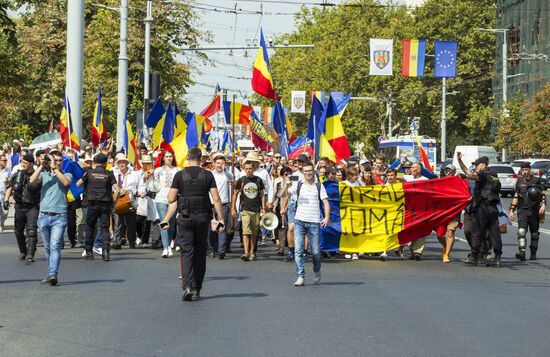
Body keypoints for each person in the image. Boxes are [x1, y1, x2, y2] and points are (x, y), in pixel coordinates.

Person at [160, 147, 225, 301]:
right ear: (201, 159)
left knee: (186, 251)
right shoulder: (208, 175)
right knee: (200, 252)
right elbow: (216, 199)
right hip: (203, 217)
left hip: (185, 218)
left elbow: (171, 199)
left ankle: (188, 286)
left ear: (187, 158)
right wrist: (220, 219)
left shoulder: (180, 175)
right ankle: (197, 288)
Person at [282, 161, 330, 286]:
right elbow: (281, 195)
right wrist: (286, 186)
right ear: (303, 173)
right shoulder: (298, 185)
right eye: (305, 171)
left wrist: (326, 217)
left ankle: (317, 270)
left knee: (315, 253)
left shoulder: (319, 186)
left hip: (314, 222)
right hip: (299, 221)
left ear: (313, 172)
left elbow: (326, 203)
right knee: (298, 250)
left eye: (310, 171)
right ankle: (300, 276)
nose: (308, 173)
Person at [29, 150, 72, 286]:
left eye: (60, 161)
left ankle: (54, 273)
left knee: (54, 246)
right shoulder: (44, 175)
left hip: (59, 217)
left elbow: (65, 183)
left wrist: (55, 168)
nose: (58, 162)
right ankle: (50, 273)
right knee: (47, 247)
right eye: (55, 160)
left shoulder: (67, 174)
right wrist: (42, 164)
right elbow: (31, 180)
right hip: (43, 216)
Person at [457, 154, 502, 267]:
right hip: (493, 209)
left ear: (482, 165)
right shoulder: (494, 175)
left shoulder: (483, 174)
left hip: (483, 209)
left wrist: (459, 160)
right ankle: (497, 258)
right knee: (494, 233)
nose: (476, 167)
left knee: (476, 232)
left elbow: (470, 174)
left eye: (476, 165)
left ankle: (474, 257)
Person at [77, 153, 119, 261]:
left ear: (95, 162)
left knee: (90, 226)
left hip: (92, 203)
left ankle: (89, 252)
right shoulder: (109, 173)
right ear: (106, 163)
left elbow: (78, 184)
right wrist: (114, 202)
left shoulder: (89, 173)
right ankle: (105, 253)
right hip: (105, 204)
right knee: (104, 228)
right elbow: (117, 189)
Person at [4, 153, 41, 261]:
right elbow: (10, 187)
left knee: (31, 231)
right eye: (22, 162)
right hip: (19, 206)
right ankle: (23, 251)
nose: (23, 164)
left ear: (31, 163)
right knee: (18, 231)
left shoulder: (37, 175)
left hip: (32, 206)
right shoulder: (18, 174)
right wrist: (6, 200)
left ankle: (30, 254)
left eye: (25, 163)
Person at [231, 155, 265, 261]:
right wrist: (233, 208)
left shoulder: (258, 180)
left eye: (250, 168)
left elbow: (262, 194)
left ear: (253, 168)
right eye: (246, 169)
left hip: (256, 209)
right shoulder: (241, 180)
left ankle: (252, 251)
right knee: (246, 231)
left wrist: (263, 207)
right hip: (245, 209)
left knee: (254, 232)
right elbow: (235, 194)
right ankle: (245, 252)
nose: (248, 171)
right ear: (244, 169)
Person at [509, 162, 546, 261]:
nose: (524, 172)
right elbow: (516, 195)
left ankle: (533, 253)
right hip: (522, 209)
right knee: (521, 231)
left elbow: (542, 194)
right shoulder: (519, 181)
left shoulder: (536, 180)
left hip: (534, 210)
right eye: (523, 170)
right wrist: (511, 210)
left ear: (529, 169)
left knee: (534, 233)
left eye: (526, 169)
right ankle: (522, 253)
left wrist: (543, 204)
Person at [111, 153, 141, 249]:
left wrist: (128, 191)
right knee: (117, 222)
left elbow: (138, 188)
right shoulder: (114, 174)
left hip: (130, 201)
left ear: (127, 163)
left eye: (123, 162)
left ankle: (132, 242)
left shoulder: (134, 174)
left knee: (131, 223)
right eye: (119, 163)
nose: (121, 164)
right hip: (118, 201)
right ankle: (117, 242)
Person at [154, 150, 179, 258]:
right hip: (160, 198)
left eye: (170, 156)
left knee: (172, 224)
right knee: (164, 221)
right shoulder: (158, 170)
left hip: (173, 199)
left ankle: (168, 244)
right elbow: (155, 188)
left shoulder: (178, 170)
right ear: (163, 158)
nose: (169, 158)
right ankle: (165, 248)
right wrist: (153, 178)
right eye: (166, 156)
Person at [209, 153, 233, 259]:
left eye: (222, 163)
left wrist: (225, 169)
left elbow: (231, 179)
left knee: (221, 227)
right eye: (218, 163)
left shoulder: (227, 174)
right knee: (212, 228)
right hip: (211, 204)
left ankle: (221, 249)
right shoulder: (210, 174)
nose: (220, 165)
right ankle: (212, 248)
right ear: (214, 163)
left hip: (224, 204)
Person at [403, 162, 428, 260]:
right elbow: (394, 175)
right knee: (409, 230)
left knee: (420, 230)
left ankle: (418, 252)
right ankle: (412, 250)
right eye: (411, 167)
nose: (410, 169)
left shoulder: (425, 180)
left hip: (420, 209)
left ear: (419, 169)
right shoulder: (408, 178)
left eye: (413, 167)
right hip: (409, 209)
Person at [436, 164, 460, 263]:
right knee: (439, 234)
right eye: (447, 171)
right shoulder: (441, 182)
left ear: (454, 172)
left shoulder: (459, 182)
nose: (448, 173)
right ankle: (446, 246)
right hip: (442, 212)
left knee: (450, 232)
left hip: (454, 211)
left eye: (450, 171)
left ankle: (446, 254)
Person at [0, 152, 12, 231]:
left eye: (6, 160)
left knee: (5, 212)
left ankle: (1, 222)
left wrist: (8, 181)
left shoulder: (8, 170)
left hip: (4, 194)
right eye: (3, 160)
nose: (5, 161)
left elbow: (11, 182)